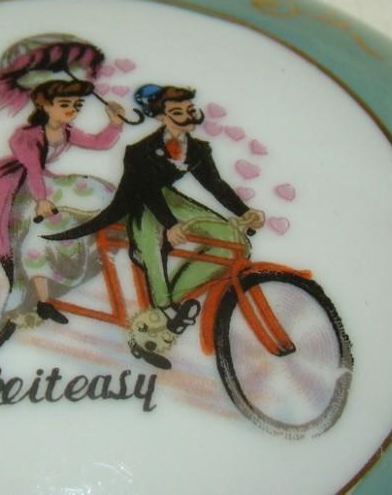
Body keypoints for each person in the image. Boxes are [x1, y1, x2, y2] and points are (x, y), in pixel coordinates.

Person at [46, 84, 265, 369]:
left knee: (233, 241)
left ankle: (169, 304)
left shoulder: (197, 149)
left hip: (170, 199)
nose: (187, 116)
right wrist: (170, 224)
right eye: (177, 112)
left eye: (189, 110)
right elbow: (145, 190)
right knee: (152, 243)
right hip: (139, 204)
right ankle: (161, 308)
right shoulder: (140, 151)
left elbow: (215, 184)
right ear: (161, 116)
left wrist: (245, 211)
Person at [0, 79, 125, 324]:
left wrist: (115, 124)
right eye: (65, 104)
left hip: (45, 182)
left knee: (96, 195)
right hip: (22, 183)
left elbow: (98, 143)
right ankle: (36, 292)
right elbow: (33, 169)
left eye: (77, 105)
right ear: (45, 105)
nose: (72, 110)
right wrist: (41, 200)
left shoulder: (66, 130)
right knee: (57, 214)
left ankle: (51, 290)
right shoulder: (27, 136)